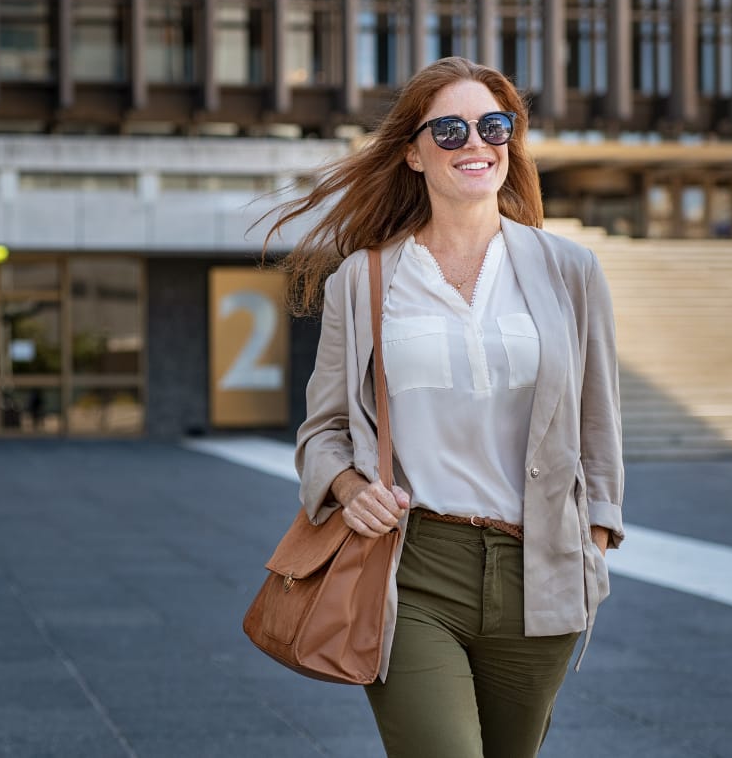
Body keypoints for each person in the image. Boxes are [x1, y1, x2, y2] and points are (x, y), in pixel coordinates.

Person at [265, 56, 624, 758]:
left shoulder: (569, 270)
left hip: (541, 566)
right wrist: (346, 486)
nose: (476, 143)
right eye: (450, 129)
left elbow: (598, 420)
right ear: (413, 151)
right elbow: (324, 430)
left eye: (494, 125)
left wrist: (598, 536)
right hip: (413, 567)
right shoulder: (362, 280)